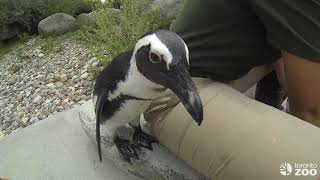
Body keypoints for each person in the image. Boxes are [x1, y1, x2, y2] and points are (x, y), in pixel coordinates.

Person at [169, 0, 320, 127]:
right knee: (306, 157)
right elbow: (310, 114)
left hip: (199, 69)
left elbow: (289, 50)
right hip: (175, 96)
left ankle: (271, 115)